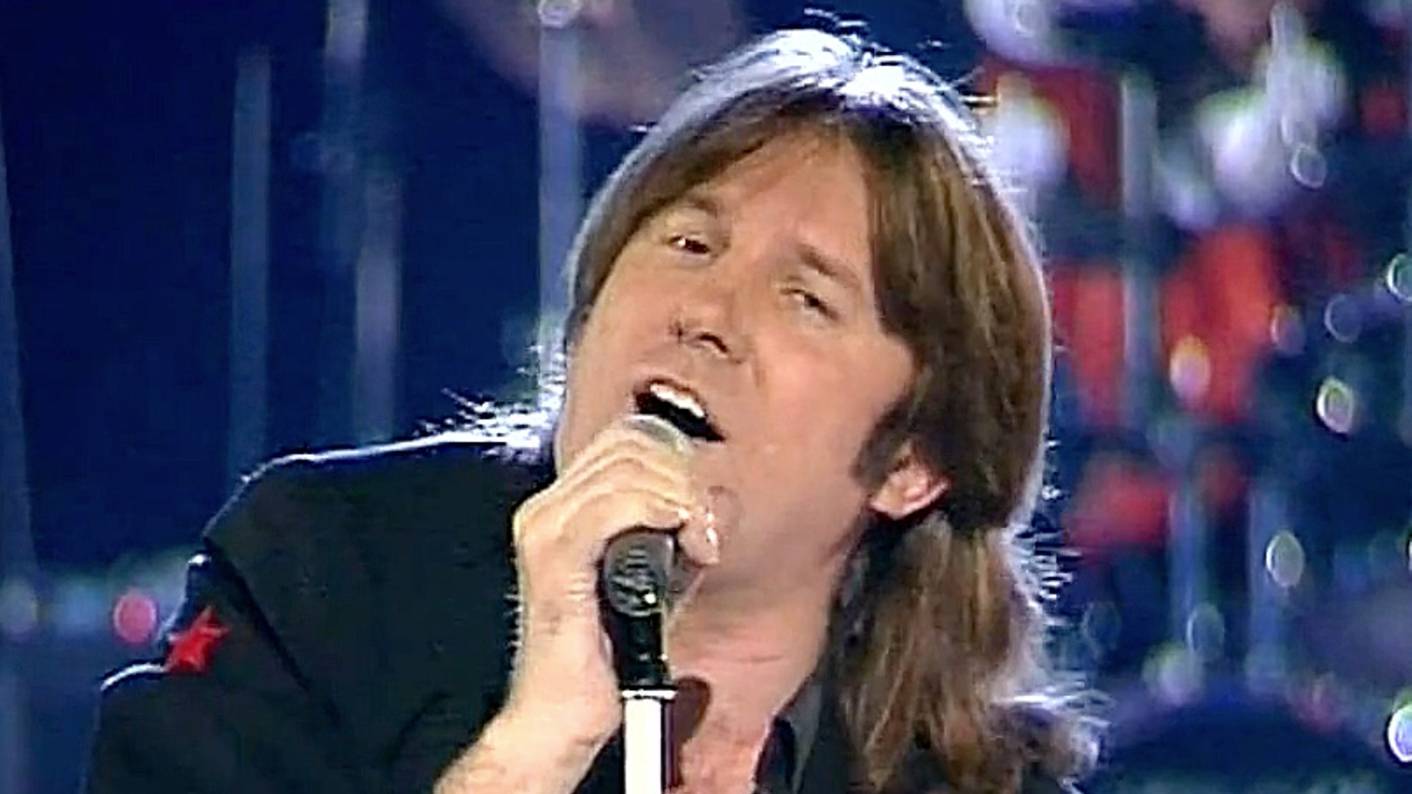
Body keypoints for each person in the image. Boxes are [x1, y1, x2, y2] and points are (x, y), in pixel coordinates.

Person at [86, 28, 1096, 794]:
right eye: (689, 244)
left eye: (805, 297)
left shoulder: (970, 777)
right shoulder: (322, 574)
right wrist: (534, 746)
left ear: (912, 462)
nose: (707, 314)